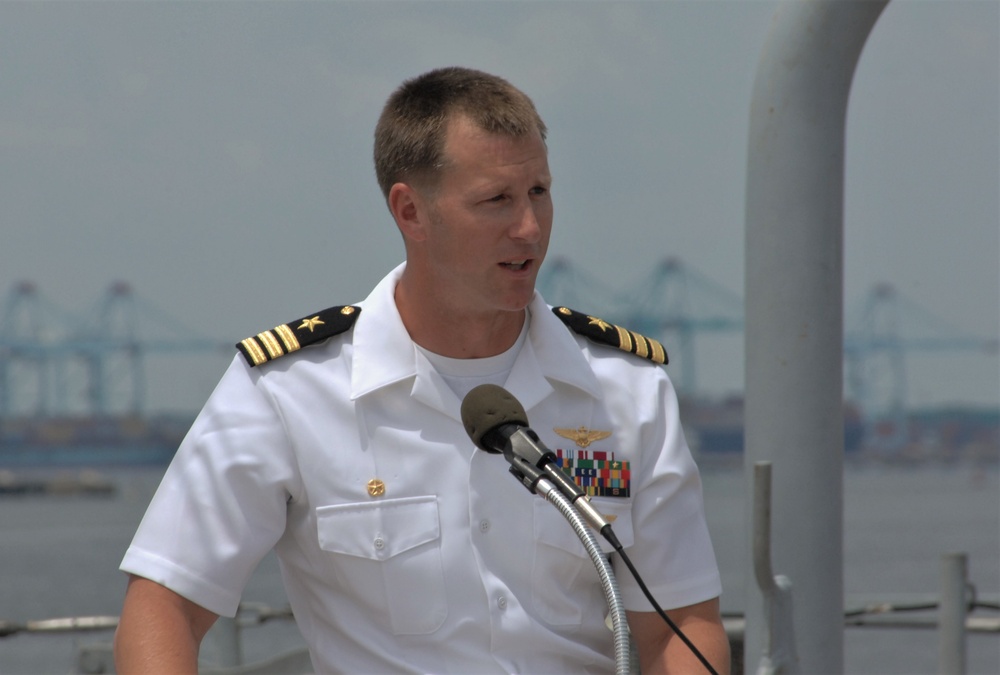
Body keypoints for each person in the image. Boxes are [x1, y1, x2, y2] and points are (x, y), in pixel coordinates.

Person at [114, 66, 730, 674]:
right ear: (410, 212)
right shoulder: (288, 391)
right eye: (496, 200)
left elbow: (677, 628)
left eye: (539, 192)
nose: (531, 228)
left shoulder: (626, 389)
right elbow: (165, 605)